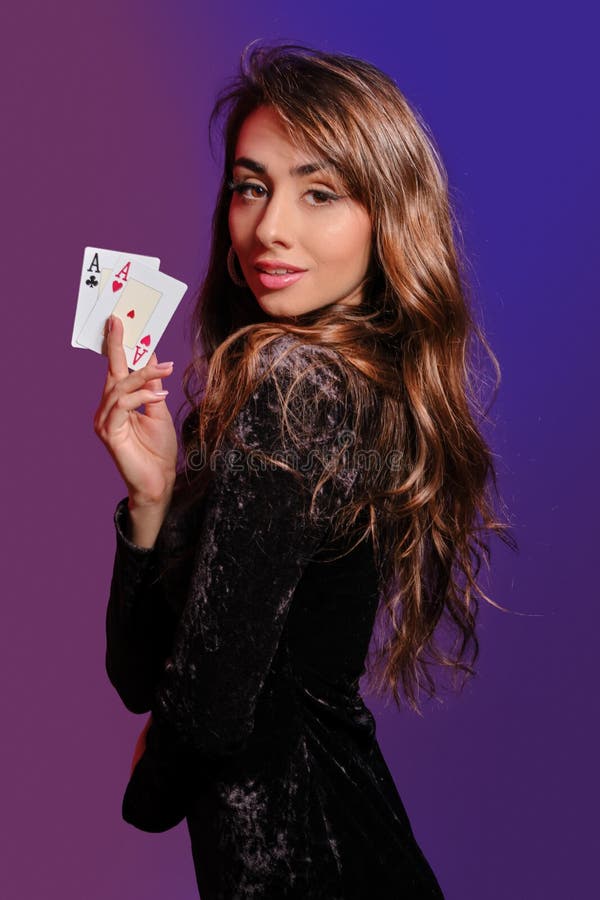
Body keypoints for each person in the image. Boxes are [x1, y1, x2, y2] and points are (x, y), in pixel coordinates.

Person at [94, 42, 515, 900]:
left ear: (386, 217)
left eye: (319, 193)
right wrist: (152, 499)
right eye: (252, 186)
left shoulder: (298, 387)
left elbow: (203, 707)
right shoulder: (306, 384)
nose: (269, 227)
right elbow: (143, 676)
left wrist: (148, 788)